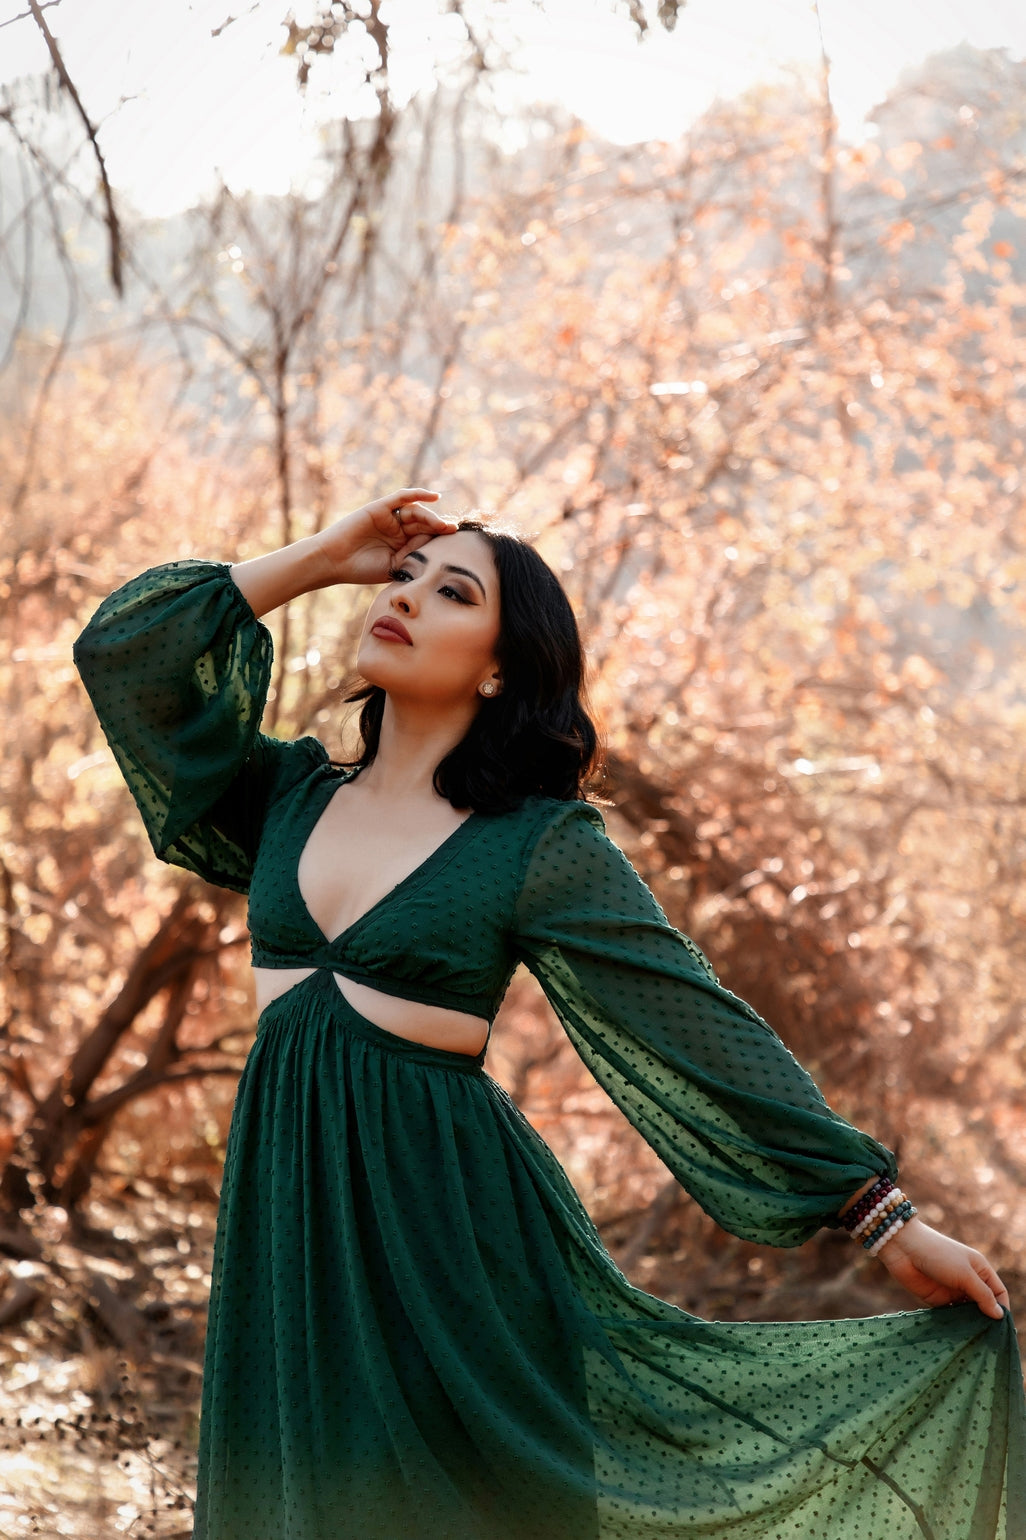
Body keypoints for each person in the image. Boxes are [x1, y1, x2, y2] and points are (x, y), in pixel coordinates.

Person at [73, 488, 1025, 1540]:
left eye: (453, 593)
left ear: (497, 666)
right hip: (291, 1226)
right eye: (402, 580)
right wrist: (320, 556)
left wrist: (880, 1215)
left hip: (454, 1243)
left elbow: (692, 1023)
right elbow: (128, 654)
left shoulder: (536, 843)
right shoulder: (286, 794)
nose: (407, 599)